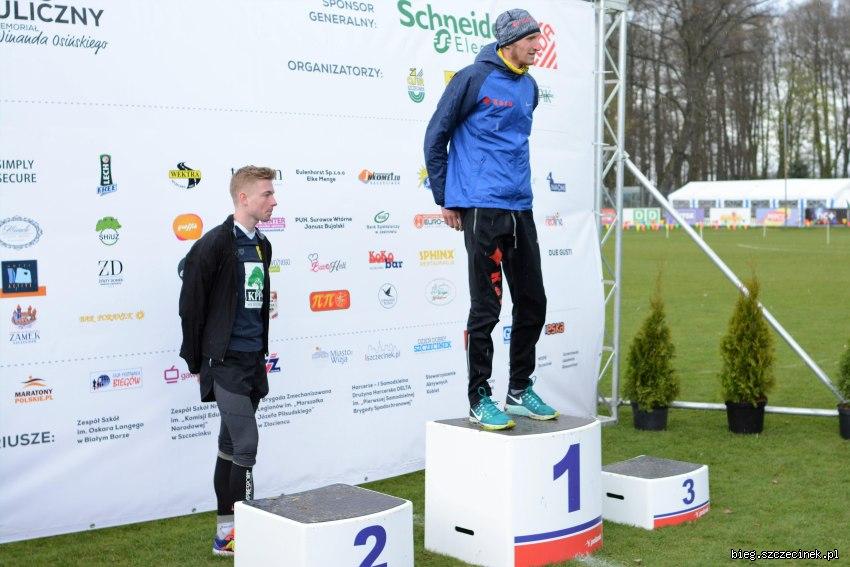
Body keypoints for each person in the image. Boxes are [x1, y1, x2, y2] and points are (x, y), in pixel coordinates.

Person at [423, 8, 557, 430]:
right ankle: (479, 397)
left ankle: (518, 389)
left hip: (520, 206)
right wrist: (446, 197)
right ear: (510, 41)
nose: (538, 46)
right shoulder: (472, 78)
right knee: (487, 307)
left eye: (539, 38)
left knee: (533, 301)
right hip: (481, 207)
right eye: (531, 39)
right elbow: (436, 136)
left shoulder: (529, 86)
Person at [179, 166, 277, 556]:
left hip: (253, 361)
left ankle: (225, 535)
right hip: (223, 362)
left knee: (229, 445)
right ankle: (244, 531)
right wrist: (195, 361)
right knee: (247, 444)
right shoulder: (214, 244)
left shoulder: (263, 245)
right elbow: (191, 306)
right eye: (267, 194)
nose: (274, 201)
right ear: (243, 198)